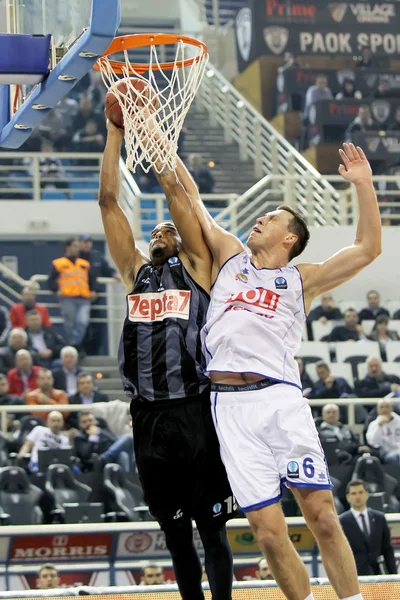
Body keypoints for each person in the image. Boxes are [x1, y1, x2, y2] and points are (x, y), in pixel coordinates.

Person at [170, 140, 381, 600]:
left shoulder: (299, 279)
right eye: (261, 215)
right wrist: (163, 142)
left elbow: (367, 248)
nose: (260, 218)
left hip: (281, 401)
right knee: (266, 534)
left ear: (290, 239)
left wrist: (364, 185)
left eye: (272, 218)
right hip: (230, 408)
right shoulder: (229, 257)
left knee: (323, 516)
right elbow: (193, 202)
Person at [99, 121, 235, 600]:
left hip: (195, 408)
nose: (160, 230)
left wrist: (152, 137)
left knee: (213, 529)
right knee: (176, 536)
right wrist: (115, 133)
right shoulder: (135, 271)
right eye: (154, 229)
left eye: (169, 229)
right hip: (149, 418)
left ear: (182, 241)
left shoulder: (198, 268)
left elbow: (176, 191)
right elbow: (108, 204)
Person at [48, 238, 97, 348]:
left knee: (83, 321)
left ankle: (74, 343)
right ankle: (72, 345)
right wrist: (56, 290)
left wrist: (93, 290)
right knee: (69, 323)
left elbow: (92, 279)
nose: (77, 248)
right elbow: (50, 280)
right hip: (67, 297)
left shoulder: (84, 264)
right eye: (75, 246)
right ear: (68, 248)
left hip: (84, 297)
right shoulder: (58, 263)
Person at [339, 480, 397, 575]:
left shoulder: (379, 518)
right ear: (348, 497)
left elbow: (387, 549)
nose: (358, 496)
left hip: (378, 575)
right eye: (354, 493)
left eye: (361, 492)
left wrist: (393, 576)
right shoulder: (342, 521)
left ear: (367, 494)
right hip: (354, 576)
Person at [79, 234, 119, 355]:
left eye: (89, 242)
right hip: (80, 298)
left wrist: (114, 274)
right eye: (84, 242)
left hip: (97, 298)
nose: (87, 244)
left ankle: (95, 351)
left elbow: (107, 269)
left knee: (99, 324)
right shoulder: (75, 258)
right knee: (82, 325)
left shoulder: (97, 256)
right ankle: (82, 350)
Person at [366, 399, 400, 464]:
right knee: (393, 458)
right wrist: (380, 426)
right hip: (386, 452)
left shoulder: (399, 421)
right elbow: (373, 442)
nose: (384, 410)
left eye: (387, 406)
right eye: (381, 407)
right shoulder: (374, 424)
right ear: (378, 410)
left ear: (392, 408)